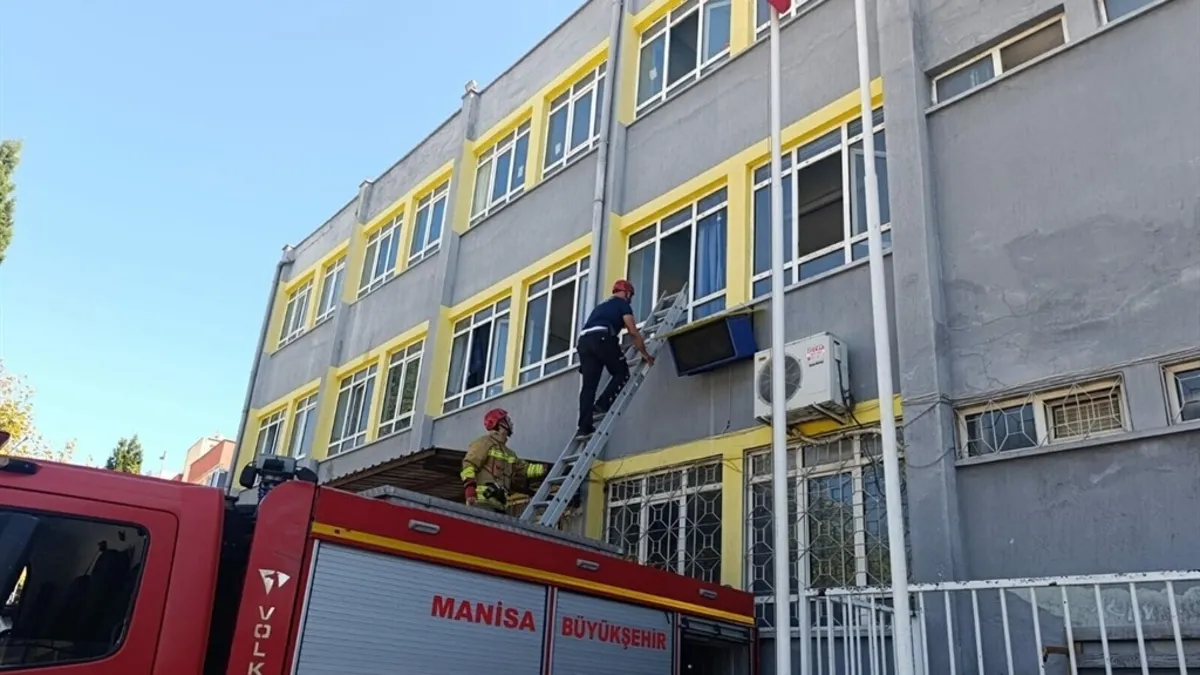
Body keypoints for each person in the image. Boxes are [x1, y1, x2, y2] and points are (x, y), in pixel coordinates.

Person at [575, 279, 654, 437]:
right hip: (602, 338)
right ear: (626, 293)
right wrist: (645, 354)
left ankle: (584, 427)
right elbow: (632, 331)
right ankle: (602, 404)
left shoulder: (602, 306)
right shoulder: (622, 304)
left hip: (584, 342)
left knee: (588, 387)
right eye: (630, 295)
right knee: (622, 373)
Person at [461, 408, 548, 514]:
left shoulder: (509, 453)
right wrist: (470, 490)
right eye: (506, 419)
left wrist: (545, 469)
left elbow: (525, 469)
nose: (510, 423)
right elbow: (469, 465)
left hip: (500, 505)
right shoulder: (484, 443)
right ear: (499, 423)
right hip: (483, 503)